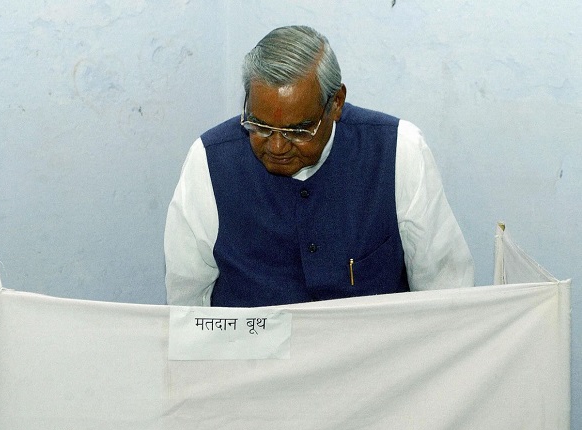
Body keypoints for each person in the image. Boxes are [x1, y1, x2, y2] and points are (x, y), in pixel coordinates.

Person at [164, 25, 474, 307]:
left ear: (336, 103)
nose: (276, 146)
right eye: (258, 126)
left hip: (372, 361)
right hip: (254, 363)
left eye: (298, 131)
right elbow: (187, 303)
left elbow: (446, 294)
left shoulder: (399, 151)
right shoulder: (208, 161)